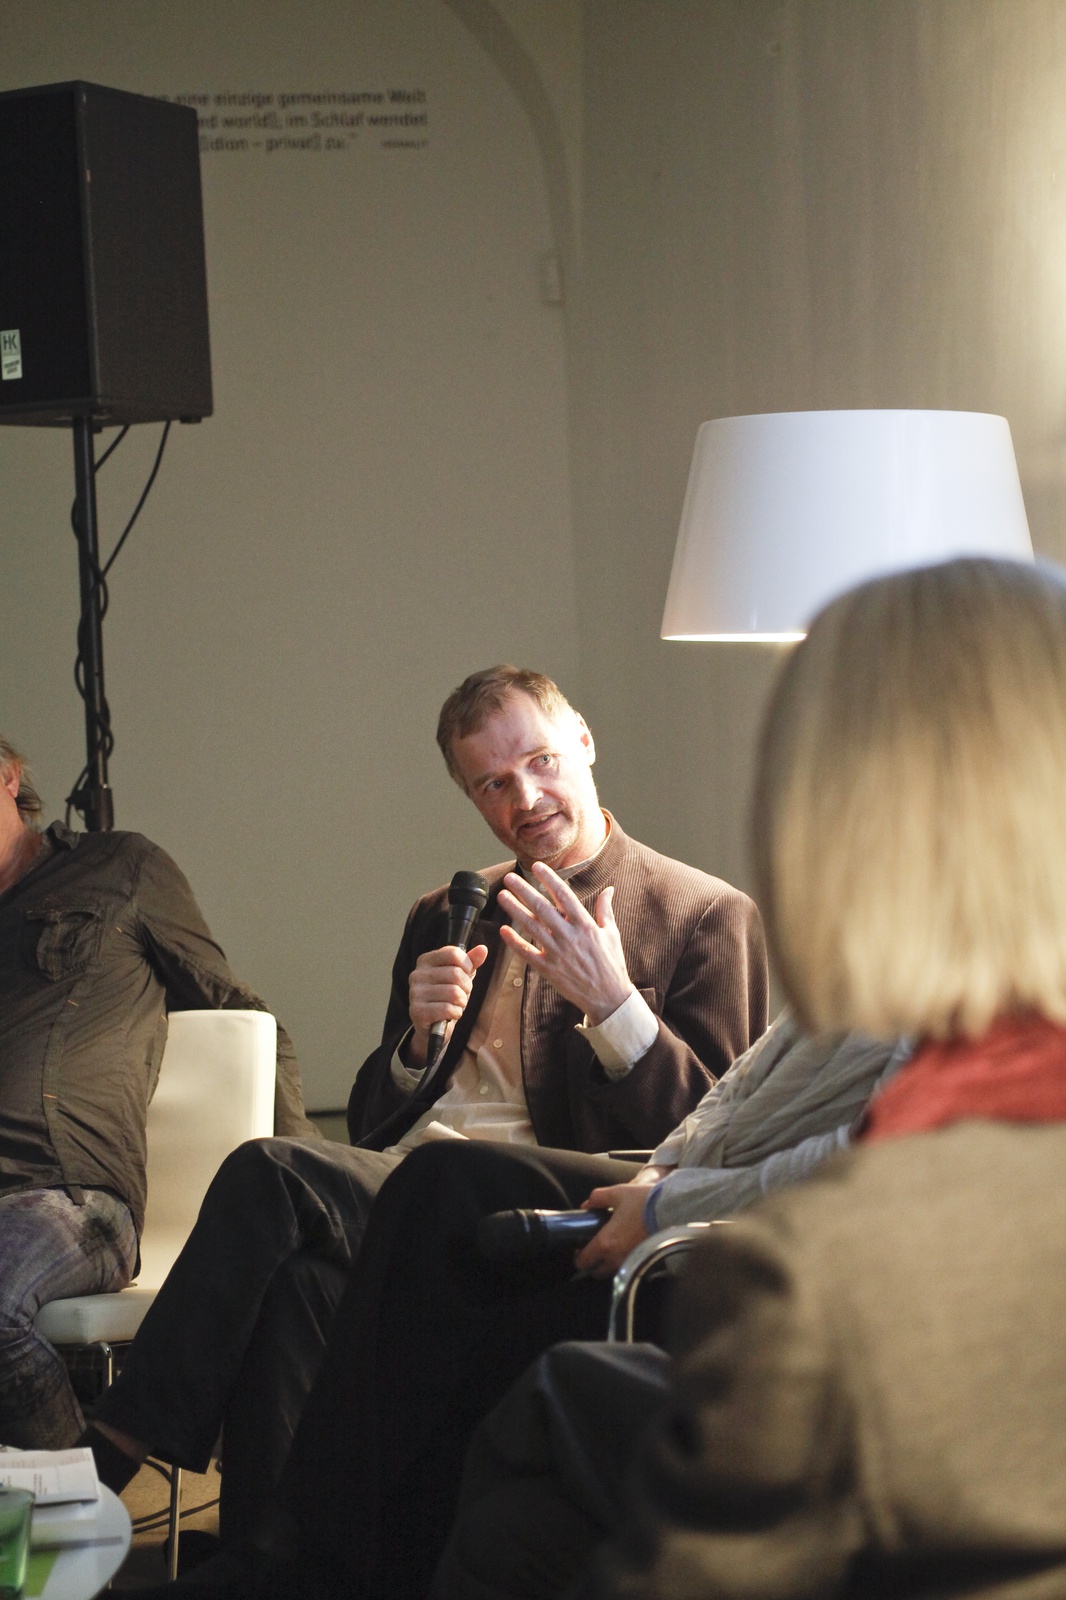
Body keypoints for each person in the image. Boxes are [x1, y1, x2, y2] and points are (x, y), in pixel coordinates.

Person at [436, 555, 1066, 1600]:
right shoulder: (925, 965)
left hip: (904, 1431)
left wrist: (627, 1058)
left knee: (544, 1394)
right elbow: (742, 1101)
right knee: (517, 1511)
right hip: (787, 1303)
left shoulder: (713, 916)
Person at [88, 665, 766, 1531]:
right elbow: (374, 1123)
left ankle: (107, 1457)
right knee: (296, 1282)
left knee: (270, 1170)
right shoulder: (446, 911)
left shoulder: (704, 913)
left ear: (584, 742)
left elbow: (713, 1136)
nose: (526, 798)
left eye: (541, 762)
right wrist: (415, 1045)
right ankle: (274, 1559)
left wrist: (614, 1007)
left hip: (540, 1204)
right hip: (410, 1187)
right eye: (493, 784)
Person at [0, 735, 314, 1451]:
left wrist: (308, 1177)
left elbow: (242, 1015)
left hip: (66, 1196)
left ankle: (84, 1501)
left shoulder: (119, 868)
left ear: (10, 777)